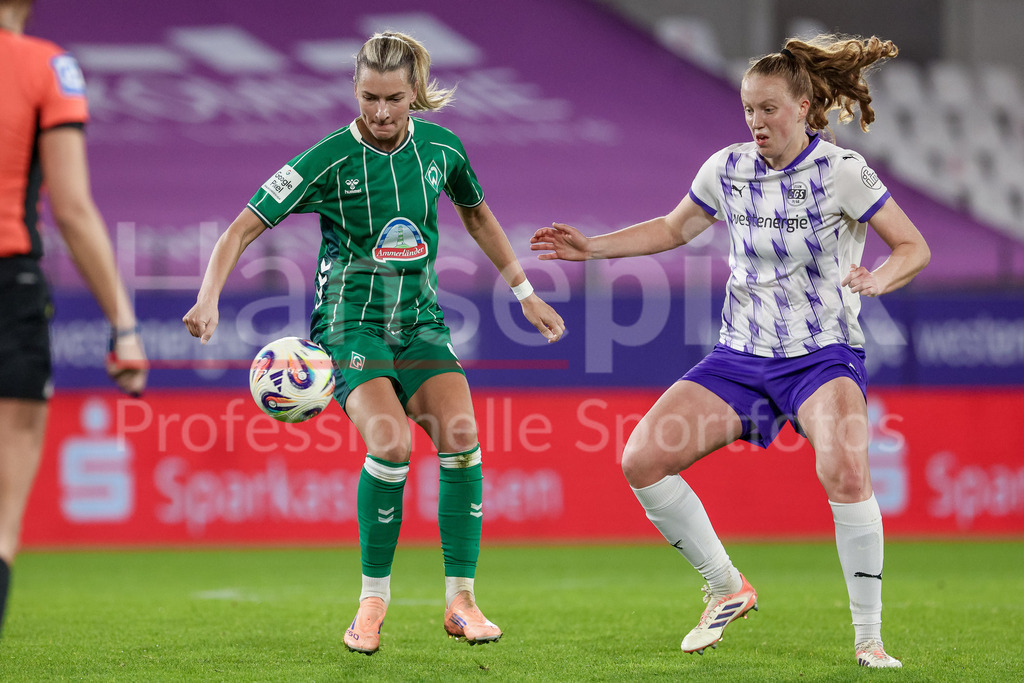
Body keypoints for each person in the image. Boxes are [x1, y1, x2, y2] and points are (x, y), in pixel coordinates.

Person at [532, 34, 929, 668]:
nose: (756, 121)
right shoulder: (727, 168)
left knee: (845, 470)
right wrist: (592, 249)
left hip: (821, 355)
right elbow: (672, 228)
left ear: (803, 107)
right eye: (748, 109)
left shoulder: (844, 172)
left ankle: (869, 640)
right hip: (739, 356)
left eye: (769, 108)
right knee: (641, 459)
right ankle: (726, 586)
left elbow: (913, 247)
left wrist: (879, 278)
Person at [183, 31, 565, 655]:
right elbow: (241, 228)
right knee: (389, 441)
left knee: (462, 437)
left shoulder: (442, 147)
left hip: (420, 321)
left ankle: (461, 601)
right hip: (348, 326)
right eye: (368, 97)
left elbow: (476, 213)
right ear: (354, 90)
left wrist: (525, 293)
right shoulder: (327, 159)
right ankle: (372, 602)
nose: (381, 112)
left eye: (392, 98)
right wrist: (209, 296)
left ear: (413, 90)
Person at [0, 0, 148, 635]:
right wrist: (125, 324)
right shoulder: (45, 66)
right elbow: (71, 208)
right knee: (1, 515)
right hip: (8, 281)